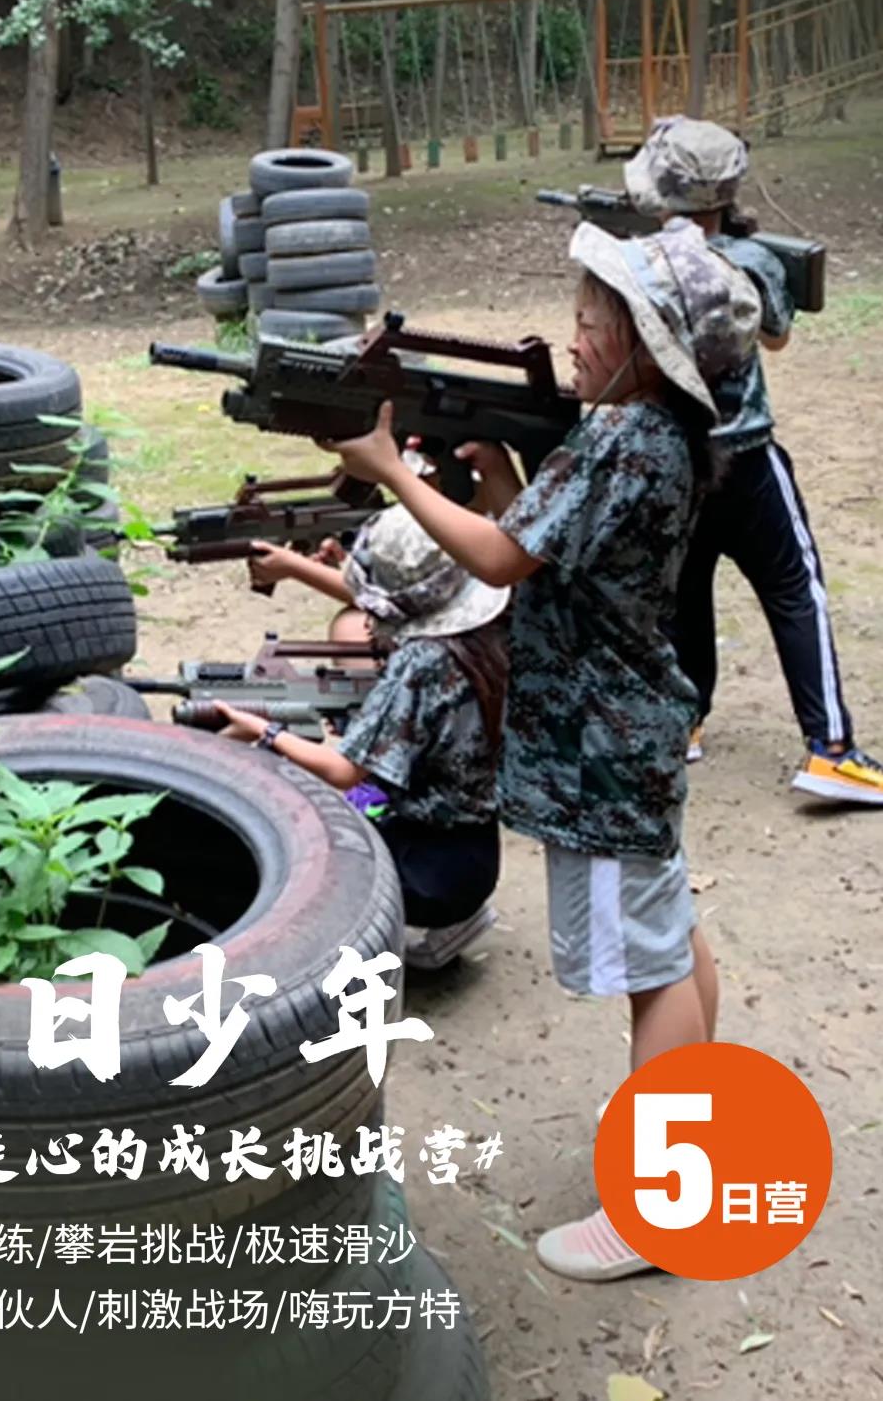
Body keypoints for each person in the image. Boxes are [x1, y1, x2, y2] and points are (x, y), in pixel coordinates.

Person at [315, 217, 761, 1280]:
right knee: (673, 934)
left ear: (647, 347)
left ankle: (660, 1207)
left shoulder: (621, 438)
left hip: (599, 746)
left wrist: (392, 472)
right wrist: (512, 481)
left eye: (594, 323)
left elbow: (501, 559)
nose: (576, 336)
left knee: (648, 968)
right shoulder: (664, 439)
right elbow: (569, 556)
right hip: (634, 724)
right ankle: (686, 1115)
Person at [624, 115, 883, 805]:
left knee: (684, 593)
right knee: (796, 590)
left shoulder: (637, 263)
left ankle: (685, 723)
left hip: (674, 460)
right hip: (747, 456)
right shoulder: (758, 261)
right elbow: (776, 341)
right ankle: (830, 747)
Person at [215, 501, 511, 971]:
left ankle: (375, 933)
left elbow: (341, 770)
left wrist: (266, 731)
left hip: (427, 871)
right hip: (473, 849)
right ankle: (458, 918)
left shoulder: (422, 664)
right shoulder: (487, 630)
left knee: (302, 831)